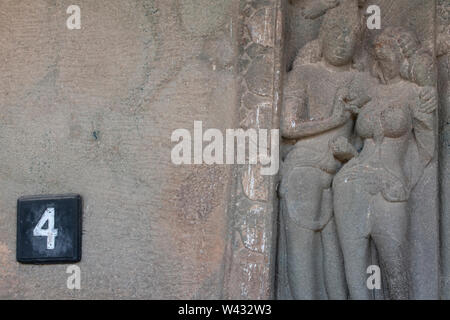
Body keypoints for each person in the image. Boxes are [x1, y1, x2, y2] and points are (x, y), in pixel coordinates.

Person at [332, 27, 437, 299]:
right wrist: (347, 154)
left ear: (401, 55)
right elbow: (357, 140)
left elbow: (427, 148)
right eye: (377, 49)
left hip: (390, 185)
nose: (380, 54)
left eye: (387, 48)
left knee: (395, 265)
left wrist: (405, 179)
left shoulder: (415, 94)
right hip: (351, 181)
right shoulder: (370, 92)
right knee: (354, 270)